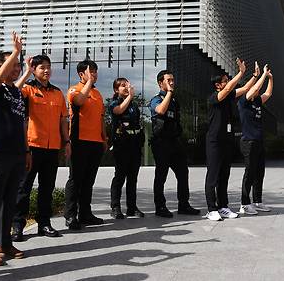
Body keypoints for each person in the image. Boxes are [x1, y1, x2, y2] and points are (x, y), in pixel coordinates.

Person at [12, 54, 69, 240]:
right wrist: (26, 71)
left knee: (47, 189)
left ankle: (44, 224)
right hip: (31, 147)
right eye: (42, 67)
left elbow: (63, 121)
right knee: (23, 188)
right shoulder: (27, 89)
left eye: (48, 67)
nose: (46, 70)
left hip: (52, 148)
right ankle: (18, 225)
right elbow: (13, 91)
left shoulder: (58, 93)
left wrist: (66, 142)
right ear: (35, 70)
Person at [0, 32, 31, 265]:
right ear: (0, 67)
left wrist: (26, 150)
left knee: (9, 200)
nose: (15, 68)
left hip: (16, 152)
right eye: (11, 65)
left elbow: (22, 122)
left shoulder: (15, 92)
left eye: (17, 65)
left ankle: (3, 244)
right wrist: (15, 52)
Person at [205, 59, 258, 221]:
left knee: (224, 176)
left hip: (226, 141)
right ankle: (211, 209)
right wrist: (240, 72)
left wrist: (255, 76)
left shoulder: (229, 97)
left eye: (227, 81)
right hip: (214, 141)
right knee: (213, 176)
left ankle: (223, 207)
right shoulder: (214, 97)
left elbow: (245, 88)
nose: (228, 84)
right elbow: (229, 88)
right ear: (218, 85)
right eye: (225, 82)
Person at [149, 70, 200, 218]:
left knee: (183, 173)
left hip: (174, 142)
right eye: (168, 80)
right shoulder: (156, 99)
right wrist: (169, 93)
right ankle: (160, 207)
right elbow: (160, 110)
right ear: (160, 83)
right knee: (161, 175)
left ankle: (183, 205)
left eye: (172, 80)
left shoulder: (174, 101)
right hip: (161, 143)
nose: (172, 82)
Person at [64, 60, 108, 230]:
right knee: (76, 179)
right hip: (79, 140)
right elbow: (79, 102)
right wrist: (89, 82)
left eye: (96, 72)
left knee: (89, 180)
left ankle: (85, 213)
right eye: (91, 72)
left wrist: (104, 137)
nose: (94, 75)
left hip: (95, 142)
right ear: (81, 74)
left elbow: (101, 117)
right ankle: (70, 215)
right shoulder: (74, 90)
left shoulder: (97, 94)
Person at [238, 64, 274, 215]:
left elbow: (268, 93)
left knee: (260, 172)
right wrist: (263, 75)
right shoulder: (243, 101)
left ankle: (257, 201)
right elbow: (253, 89)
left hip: (259, 141)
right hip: (248, 142)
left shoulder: (257, 101)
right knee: (250, 173)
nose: (257, 91)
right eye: (255, 89)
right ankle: (244, 204)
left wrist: (270, 79)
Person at [109, 78, 145, 219]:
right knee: (119, 177)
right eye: (122, 86)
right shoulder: (114, 103)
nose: (126, 87)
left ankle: (132, 207)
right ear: (116, 90)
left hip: (134, 145)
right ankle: (115, 207)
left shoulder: (134, 105)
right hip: (121, 145)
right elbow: (118, 111)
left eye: (127, 85)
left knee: (132, 177)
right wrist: (130, 96)